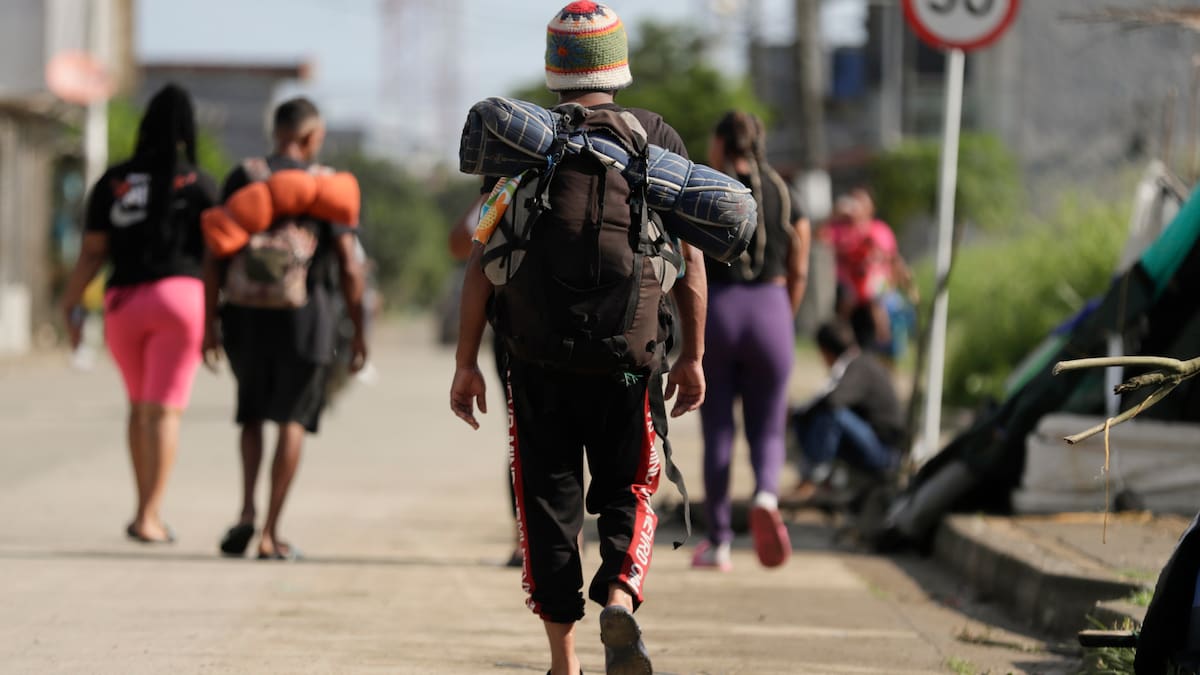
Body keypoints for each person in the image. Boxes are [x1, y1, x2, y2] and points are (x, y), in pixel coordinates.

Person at [449, 3, 707, 674]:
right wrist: (694, 357)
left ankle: (563, 664)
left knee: (545, 502)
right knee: (630, 488)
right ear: (618, 64)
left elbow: (482, 255)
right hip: (629, 365)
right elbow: (693, 259)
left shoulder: (522, 139)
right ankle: (620, 593)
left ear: (555, 66)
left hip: (536, 363)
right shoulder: (654, 137)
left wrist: (464, 364)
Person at [204, 97, 368, 561]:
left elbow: (214, 252)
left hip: (244, 316)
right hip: (307, 319)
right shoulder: (328, 186)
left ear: (274, 131)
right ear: (312, 137)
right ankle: (271, 534)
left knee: (251, 414)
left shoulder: (245, 175)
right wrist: (359, 331)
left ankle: (245, 511)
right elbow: (351, 269)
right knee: (292, 421)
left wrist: (209, 324)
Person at [59, 83, 217, 543]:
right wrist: (218, 320)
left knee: (139, 408)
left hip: (124, 304)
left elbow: (91, 253)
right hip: (182, 301)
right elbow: (218, 255)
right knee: (165, 412)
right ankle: (150, 514)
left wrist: (70, 301)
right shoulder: (201, 183)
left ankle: (141, 508)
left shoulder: (114, 181)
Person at [693, 111, 810, 572]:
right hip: (771, 311)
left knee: (718, 430)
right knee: (768, 427)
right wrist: (782, 313)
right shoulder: (783, 193)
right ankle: (765, 494)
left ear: (721, 143)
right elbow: (799, 263)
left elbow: (685, 259)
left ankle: (719, 542)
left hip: (716, 312)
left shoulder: (704, 188)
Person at [789, 320, 904, 502]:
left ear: (825, 351)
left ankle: (814, 478)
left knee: (832, 415)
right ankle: (824, 479)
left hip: (885, 452)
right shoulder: (859, 362)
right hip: (875, 441)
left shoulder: (859, 366)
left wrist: (801, 412)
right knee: (814, 414)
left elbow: (833, 401)